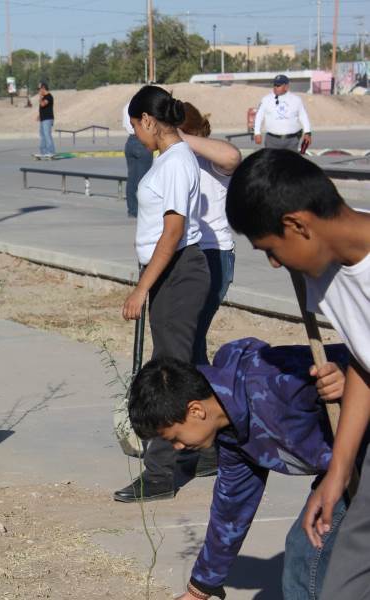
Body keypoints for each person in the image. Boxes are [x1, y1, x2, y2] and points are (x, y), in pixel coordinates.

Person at [225, 149, 370, 600]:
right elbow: (366, 365)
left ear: (298, 225)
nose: (273, 263)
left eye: (270, 249)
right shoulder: (323, 270)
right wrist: (337, 472)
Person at [128, 338, 355, 600]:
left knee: (305, 558)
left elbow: (357, 361)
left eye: (174, 437)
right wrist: (198, 590)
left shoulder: (275, 378)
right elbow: (231, 510)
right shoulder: (231, 435)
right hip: (345, 472)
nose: (177, 447)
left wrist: (347, 382)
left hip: (359, 462)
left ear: (196, 410)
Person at [113, 85, 211, 503]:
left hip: (177, 272)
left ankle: (157, 475)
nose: (136, 134)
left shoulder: (174, 162)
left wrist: (141, 289)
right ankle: (213, 449)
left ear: (149, 121)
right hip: (172, 271)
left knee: (166, 374)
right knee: (191, 365)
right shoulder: (171, 159)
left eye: (136, 126)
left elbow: (171, 234)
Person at [178, 102, 242, 366]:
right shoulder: (176, 160)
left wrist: (179, 138)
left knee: (190, 336)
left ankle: (201, 394)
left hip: (213, 254)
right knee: (186, 337)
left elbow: (233, 157)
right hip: (187, 253)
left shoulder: (210, 159)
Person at [253, 74, 312, 152]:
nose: (275, 88)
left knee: (291, 163)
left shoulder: (296, 100)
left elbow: (303, 116)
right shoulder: (266, 100)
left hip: (292, 141)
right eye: (274, 85)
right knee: (272, 163)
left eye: (278, 86)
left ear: (286, 86)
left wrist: (307, 132)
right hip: (272, 141)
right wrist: (257, 132)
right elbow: (259, 117)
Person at [123, 101, 153, 218]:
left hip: (130, 141)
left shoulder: (126, 106)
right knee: (144, 179)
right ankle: (143, 210)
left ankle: (132, 210)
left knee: (131, 178)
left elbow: (126, 125)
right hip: (142, 140)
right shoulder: (143, 106)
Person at [36, 82, 55, 159]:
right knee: (42, 135)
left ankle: (51, 152)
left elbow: (43, 104)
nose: (38, 91)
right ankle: (44, 152)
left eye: (39, 89)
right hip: (43, 119)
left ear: (43, 88)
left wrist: (40, 98)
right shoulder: (44, 97)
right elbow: (43, 108)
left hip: (48, 119)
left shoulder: (49, 96)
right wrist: (39, 115)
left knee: (47, 135)